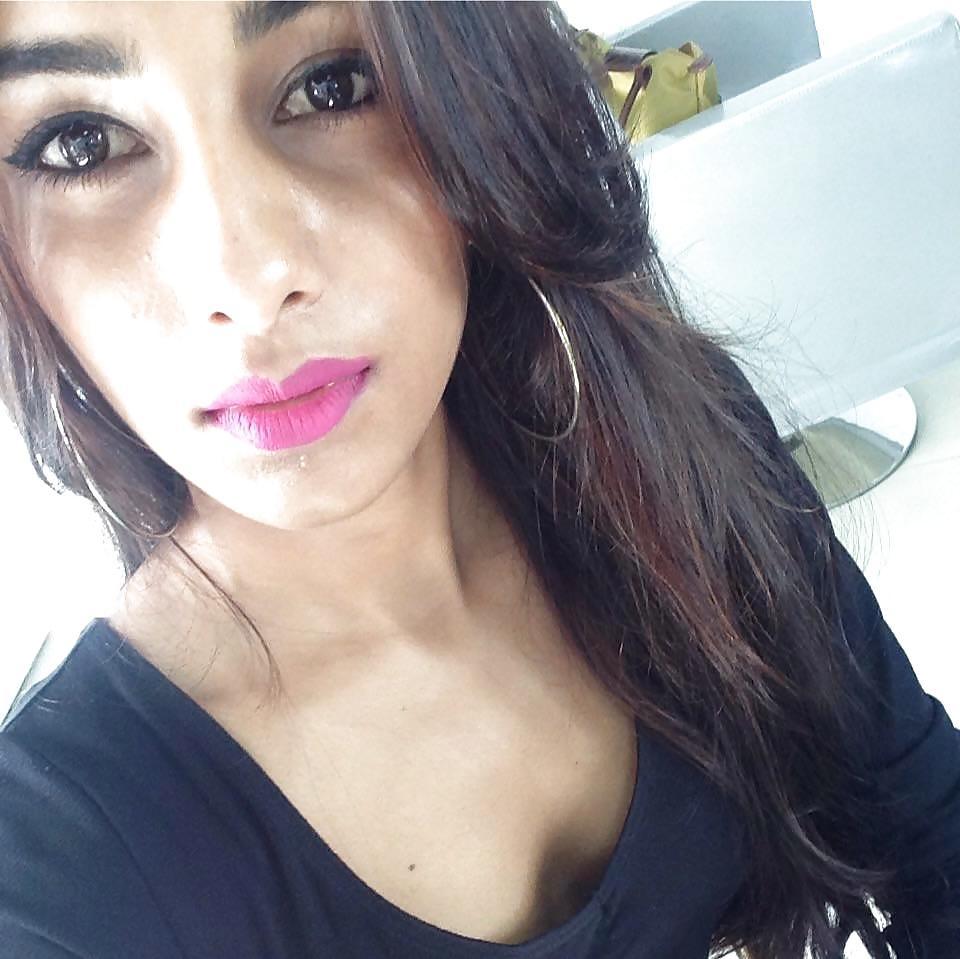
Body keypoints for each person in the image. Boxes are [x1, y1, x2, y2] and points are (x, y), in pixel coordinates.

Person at [0, 2, 957, 957]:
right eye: (80, 144)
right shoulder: (62, 863)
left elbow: (933, 832)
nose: (247, 283)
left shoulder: (665, 440)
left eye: (332, 85)